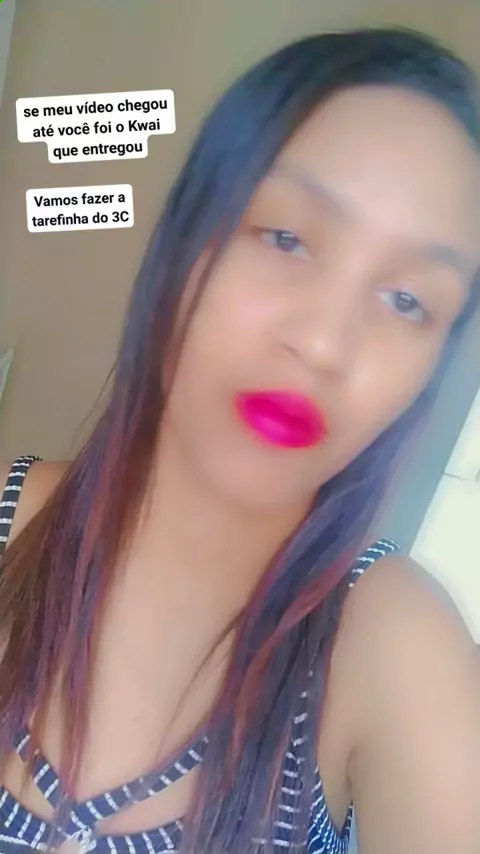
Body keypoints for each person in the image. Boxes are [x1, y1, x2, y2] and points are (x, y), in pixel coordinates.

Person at [0, 26, 479, 854]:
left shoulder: (396, 647)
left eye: (407, 300)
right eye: (286, 238)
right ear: (183, 241)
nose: (324, 344)